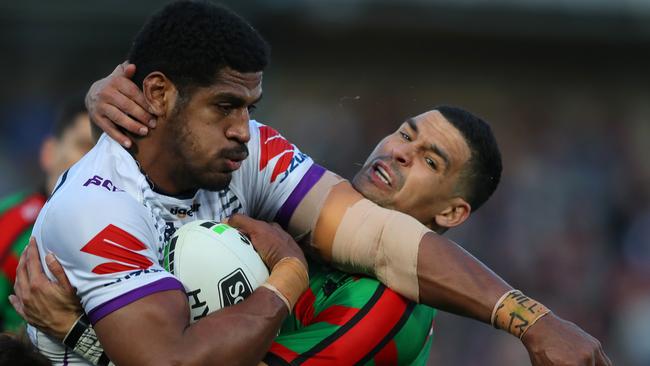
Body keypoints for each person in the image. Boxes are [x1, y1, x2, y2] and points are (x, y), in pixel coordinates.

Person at [13, 1, 610, 365]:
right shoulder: (104, 209)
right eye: (405, 133)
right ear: (160, 94)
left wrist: (82, 342)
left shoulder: (386, 306)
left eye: (431, 161)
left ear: (454, 214)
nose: (246, 131)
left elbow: (382, 241)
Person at [0, 96, 92, 333]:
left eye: (103, 151)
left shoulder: (134, 223)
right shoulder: (8, 223)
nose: (95, 161)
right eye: (84, 146)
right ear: (49, 153)